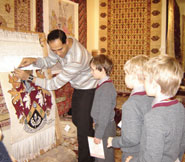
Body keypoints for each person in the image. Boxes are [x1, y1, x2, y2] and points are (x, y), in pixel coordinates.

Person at [14, 29, 97, 162]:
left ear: (66, 43)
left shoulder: (76, 58)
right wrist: (33, 61)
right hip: (79, 86)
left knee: (83, 128)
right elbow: (49, 61)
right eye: (54, 50)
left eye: (60, 49)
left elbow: (54, 84)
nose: (58, 53)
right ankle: (95, 146)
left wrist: (29, 78)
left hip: (88, 88)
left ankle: (87, 159)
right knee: (77, 119)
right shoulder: (64, 41)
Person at [126, 54, 185, 162]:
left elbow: (151, 158)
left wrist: (132, 161)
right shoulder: (180, 107)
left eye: (146, 79)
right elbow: (182, 142)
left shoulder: (154, 116)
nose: (143, 82)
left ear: (155, 85)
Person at [107, 55, 153, 161]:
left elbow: (131, 138)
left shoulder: (131, 104)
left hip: (133, 153)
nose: (125, 77)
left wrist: (113, 141)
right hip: (147, 150)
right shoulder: (152, 96)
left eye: (126, 73)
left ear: (134, 76)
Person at [90, 54, 117, 162]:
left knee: (104, 156)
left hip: (105, 127)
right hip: (102, 125)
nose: (91, 72)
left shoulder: (106, 89)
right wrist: (95, 122)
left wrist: (98, 134)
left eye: (93, 70)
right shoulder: (103, 85)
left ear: (102, 70)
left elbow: (104, 114)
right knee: (101, 155)